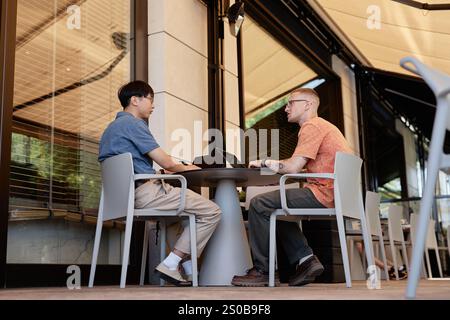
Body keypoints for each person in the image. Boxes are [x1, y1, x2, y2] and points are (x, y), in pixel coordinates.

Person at [98, 81, 221, 285]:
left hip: (125, 196)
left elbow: (133, 164)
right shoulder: (133, 124)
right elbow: (166, 162)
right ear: (135, 100)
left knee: (177, 219)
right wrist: (190, 168)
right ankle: (172, 263)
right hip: (146, 193)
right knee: (212, 211)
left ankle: (188, 270)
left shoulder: (111, 129)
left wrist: (163, 169)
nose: (153, 106)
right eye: (150, 100)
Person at [231, 88, 352, 287]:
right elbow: (303, 166)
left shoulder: (312, 126)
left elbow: (293, 166)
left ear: (308, 104)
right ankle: (306, 259)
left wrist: (265, 162)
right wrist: (280, 170)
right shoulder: (325, 126)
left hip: (324, 192)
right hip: (335, 191)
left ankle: (263, 270)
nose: (286, 108)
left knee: (259, 203)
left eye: (291, 103)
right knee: (275, 208)